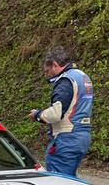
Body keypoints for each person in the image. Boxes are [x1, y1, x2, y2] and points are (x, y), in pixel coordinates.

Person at [28, 47, 93, 176]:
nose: (48, 75)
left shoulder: (65, 80)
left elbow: (56, 113)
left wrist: (37, 115)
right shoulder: (82, 76)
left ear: (55, 65)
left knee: (58, 183)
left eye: (48, 71)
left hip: (66, 138)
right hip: (83, 136)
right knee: (70, 181)